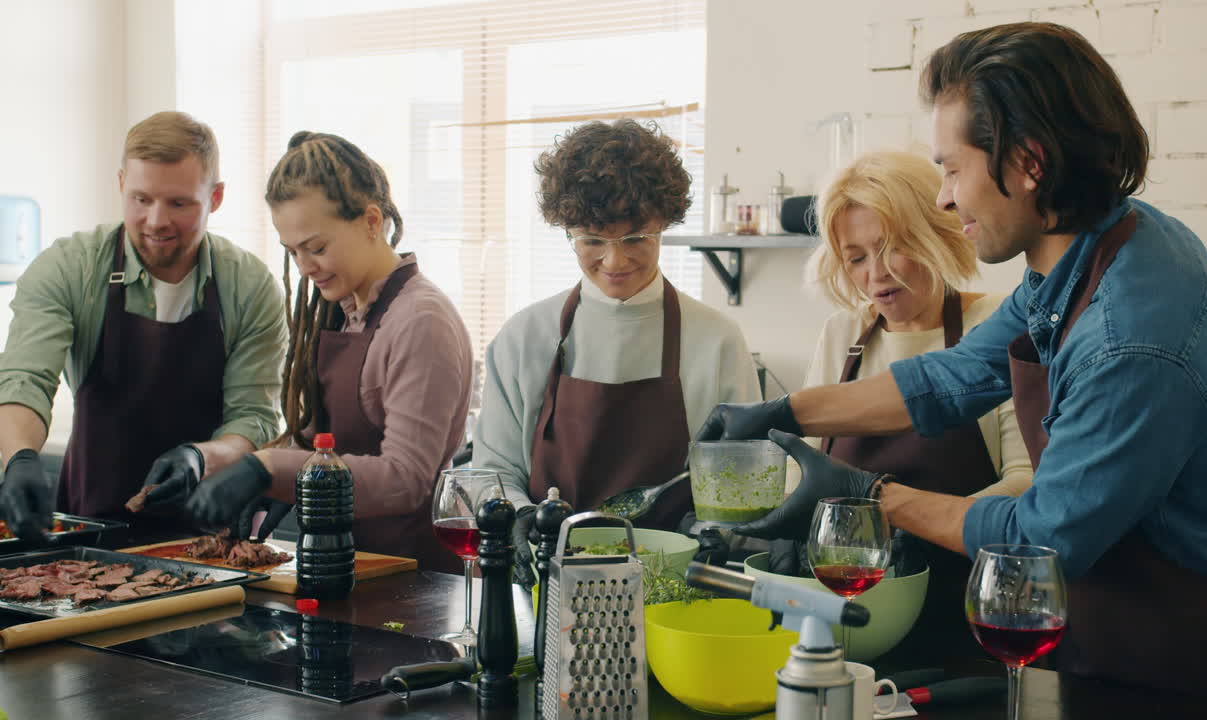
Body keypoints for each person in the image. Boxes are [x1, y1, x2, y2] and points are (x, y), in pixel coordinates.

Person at [698, 22, 1207, 710]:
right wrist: (786, 413)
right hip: (1107, 629)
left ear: (1028, 162)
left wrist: (876, 500)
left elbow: (1040, 539)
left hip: (1185, 659)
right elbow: (953, 376)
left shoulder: (1131, 338)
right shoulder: (1090, 250)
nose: (944, 197)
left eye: (951, 168)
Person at [472, 119, 761, 586]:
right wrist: (519, 515)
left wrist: (714, 530)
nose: (614, 261)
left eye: (635, 239)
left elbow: (742, 482)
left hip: (674, 588)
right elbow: (493, 469)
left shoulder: (716, 340)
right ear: (567, 231)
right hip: (548, 586)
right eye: (592, 240)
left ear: (663, 225)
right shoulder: (525, 337)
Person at [175, 131, 473, 572]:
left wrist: (270, 469)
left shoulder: (420, 323)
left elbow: (405, 479)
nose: (304, 267)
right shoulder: (339, 310)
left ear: (372, 222)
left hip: (415, 578)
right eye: (293, 252)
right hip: (349, 566)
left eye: (316, 247)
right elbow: (317, 439)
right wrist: (263, 479)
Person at [779, 149, 1032, 661]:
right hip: (849, 616)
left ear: (935, 234)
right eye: (856, 258)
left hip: (967, 616)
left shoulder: (996, 326)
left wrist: (919, 521)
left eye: (892, 247)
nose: (876, 275)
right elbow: (799, 471)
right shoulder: (843, 335)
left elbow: (1027, 482)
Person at [0, 111, 287, 542]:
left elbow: (253, 416)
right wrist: (19, 458)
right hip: (88, 526)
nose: (156, 221)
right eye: (141, 199)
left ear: (215, 197)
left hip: (206, 538)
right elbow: (24, 378)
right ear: (120, 185)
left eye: (178, 203)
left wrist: (200, 457)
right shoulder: (70, 267)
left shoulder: (248, 285)